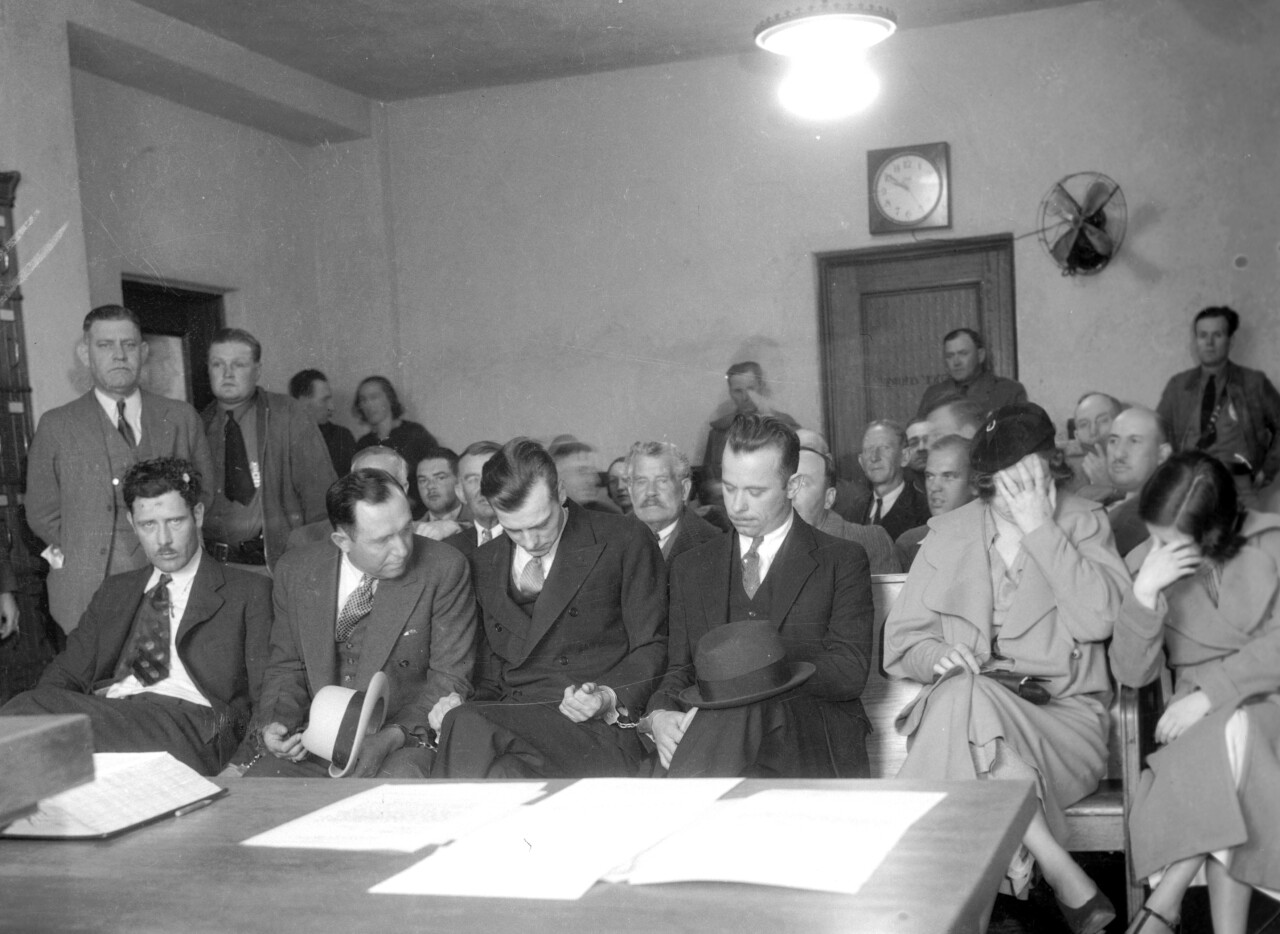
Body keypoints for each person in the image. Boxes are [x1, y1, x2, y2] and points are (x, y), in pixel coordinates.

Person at [883, 402, 1128, 934]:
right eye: (1003, 485)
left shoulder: (1083, 522)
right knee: (963, 694)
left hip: (1063, 721)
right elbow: (902, 641)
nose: (1016, 496)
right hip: (973, 717)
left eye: (1030, 481)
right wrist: (936, 656)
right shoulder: (949, 532)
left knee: (960, 703)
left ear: (1050, 471)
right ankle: (1055, 869)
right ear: (986, 482)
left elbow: (1100, 621)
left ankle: (924, 901)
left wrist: (1043, 531)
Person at [1, 458, 272, 775]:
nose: (163, 540)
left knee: (24, 713)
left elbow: (269, 693)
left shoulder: (248, 591)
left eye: (175, 522)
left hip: (193, 726)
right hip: (116, 716)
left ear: (197, 515)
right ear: (132, 522)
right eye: (149, 525)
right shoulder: (116, 591)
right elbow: (65, 676)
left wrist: (242, 765)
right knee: (25, 716)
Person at [642, 413, 874, 778]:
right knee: (721, 719)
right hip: (723, 739)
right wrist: (659, 715)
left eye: (755, 492)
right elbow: (680, 669)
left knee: (736, 709)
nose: (736, 506)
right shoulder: (692, 566)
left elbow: (848, 672)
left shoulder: (841, 560)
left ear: (793, 485)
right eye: (730, 488)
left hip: (811, 737)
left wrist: (751, 672)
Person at [1109, 453, 1280, 934]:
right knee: (1230, 742)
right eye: (1154, 536)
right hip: (1196, 726)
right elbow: (1131, 673)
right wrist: (1144, 596)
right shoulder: (1147, 566)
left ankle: (1165, 900)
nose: (1158, 551)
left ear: (1215, 534)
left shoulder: (1272, 543)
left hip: (1267, 700)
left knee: (1233, 730)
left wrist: (1211, 694)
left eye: (1172, 542)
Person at [431, 438, 667, 779]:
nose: (531, 541)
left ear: (560, 491)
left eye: (541, 524)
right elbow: (489, 676)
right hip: (513, 725)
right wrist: (456, 700)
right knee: (500, 769)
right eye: (514, 529)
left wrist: (607, 696)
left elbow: (654, 645)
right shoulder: (483, 561)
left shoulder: (623, 539)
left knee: (466, 725)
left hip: (593, 726)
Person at [249, 468, 476, 778]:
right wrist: (276, 723)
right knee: (259, 792)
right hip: (316, 740)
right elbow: (286, 666)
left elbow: (449, 678)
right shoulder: (296, 571)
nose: (402, 549)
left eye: (406, 528)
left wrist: (391, 737)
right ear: (342, 540)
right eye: (382, 540)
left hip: (402, 741)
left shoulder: (445, 568)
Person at [26, 304, 215, 634]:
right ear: (86, 353)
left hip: (175, 586)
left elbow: (205, 495)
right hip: (86, 596)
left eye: (128, 345)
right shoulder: (57, 425)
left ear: (143, 352)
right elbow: (41, 512)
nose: (119, 355)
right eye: (105, 345)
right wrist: (83, 543)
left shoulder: (182, 418)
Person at [202, 329, 335, 573]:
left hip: (272, 567)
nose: (227, 373)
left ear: (257, 370)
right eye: (218, 364)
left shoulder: (287, 414)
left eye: (239, 364)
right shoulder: (197, 424)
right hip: (213, 569)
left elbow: (321, 500)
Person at [1156, 305, 1280, 507]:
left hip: (1240, 489)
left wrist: (1267, 471)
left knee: (1241, 538)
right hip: (1189, 488)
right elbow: (1158, 433)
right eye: (1202, 335)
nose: (1209, 343)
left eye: (1217, 335)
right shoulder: (1178, 386)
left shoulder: (1254, 383)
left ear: (1231, 341)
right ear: (1195, 341)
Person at [791, 443, 899, 574]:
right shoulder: (763, 543)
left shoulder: (869, 542)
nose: (790, 492)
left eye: (802, 483)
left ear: (829, 498)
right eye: (786, 483)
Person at [701, 361, 799, 499]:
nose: (745, 397)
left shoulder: (786, 427)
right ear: (730, 392)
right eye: (738, 391)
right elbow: (708, 484)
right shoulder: (718, 432)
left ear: (761, 388)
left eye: (751, 389)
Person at [352, 375, 439, 515]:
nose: (368, 404)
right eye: (363, 400)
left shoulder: (415, 433)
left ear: (390, 399)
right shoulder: (363, 443)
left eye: (374, 397)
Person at [625, 440, 722, 566]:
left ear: (684, 490)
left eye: (662, 481)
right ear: (630, 490)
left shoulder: (714, 544)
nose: (650, 492)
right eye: (641, 481)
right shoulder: (610, 540)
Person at [894, 434, 977, 568]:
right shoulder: (909, 544)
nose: (934, 487)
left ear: (975, 483)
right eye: (930, 476)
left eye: (948, 476)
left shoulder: (995, 539)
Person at [916, 328, 1027, 420]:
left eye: (963, 354)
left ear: (980, 355)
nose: (956, 362)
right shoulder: (934, 394)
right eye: (950, 356)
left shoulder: (1008, 392)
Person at [1105, 406, 1173, 557]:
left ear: (1162, 454)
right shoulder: (1110, 498)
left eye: (1134, 441)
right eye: (1113, 440)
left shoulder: (1139, 517)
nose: (1118, 453)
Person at [852, 419, 930, 542]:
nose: (874, 457)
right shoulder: (851, 512)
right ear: (861, 462)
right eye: (868, 449)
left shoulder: (924, 511)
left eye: (884, 447)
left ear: (905, 456)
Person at [442, 440, 505, 558]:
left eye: (492, 476)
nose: (484, 488)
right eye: (473, 480)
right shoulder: (450, 550)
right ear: (460, 493)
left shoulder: (529, 541)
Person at [289, 369, 355, 476]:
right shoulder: (284, 439)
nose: (331, 407)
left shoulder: (342, 437)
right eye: (324, 400)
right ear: (302, 402)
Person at [1068, 391, 1124, 498]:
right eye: (1084, 424)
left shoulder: (1145, 467)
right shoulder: (1068, 473)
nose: (1093, 431)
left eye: (1103, 421)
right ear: (1076, 436)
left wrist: (1109, 485)